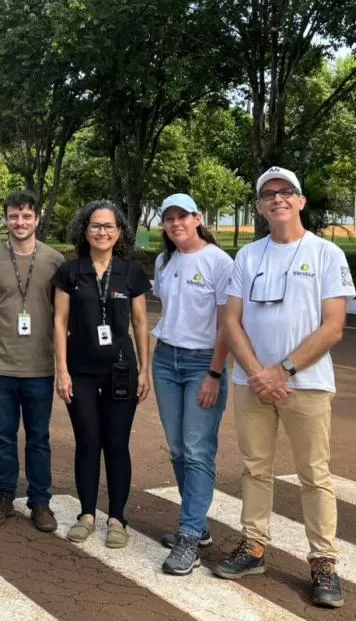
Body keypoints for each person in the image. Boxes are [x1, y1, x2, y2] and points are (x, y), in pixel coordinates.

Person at [215, 166, 354, 609]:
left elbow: (333, 327)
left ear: (300, 200)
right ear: (259, 206)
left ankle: (323, 563)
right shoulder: (248, 257)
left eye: (286, 192)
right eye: (268, 194)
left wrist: (284, 371)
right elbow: (230, 321)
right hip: (251, 382)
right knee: (255, 467)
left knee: (315, 474)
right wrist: (259, 372)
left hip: (307, 384)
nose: (277, 199)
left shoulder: (327, 253)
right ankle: (253, 546)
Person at [52, 200, 151, 549]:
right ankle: (87, 514)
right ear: (85, 229)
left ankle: (117, 518)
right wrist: (61, 370)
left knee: (116, 443)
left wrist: (145, 370)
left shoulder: (131, 272)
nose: (102, 232)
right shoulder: (70, 272)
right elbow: (60, 321)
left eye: (109, 226)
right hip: (79, 370)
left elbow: (140, 323)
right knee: (88, 442)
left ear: (119, 232)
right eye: (96, 226)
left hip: (121, 371)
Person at [149, 193, 234, 574]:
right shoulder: (164, 261)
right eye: (169, 218)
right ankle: (196, 526)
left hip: (203, 363)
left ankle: (188, 535)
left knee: (198, 450)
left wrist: (214, 375)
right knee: (178, 449)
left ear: (198, 218)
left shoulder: (220, 263)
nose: (176, 223)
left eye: (183, 216)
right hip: (166, 359)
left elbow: (226, 326)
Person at [0, 191, 64, 532]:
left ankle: (40, 502)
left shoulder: (55, 261)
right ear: (6, 218)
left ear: (37, 219)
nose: (20, 222)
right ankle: (3, 497)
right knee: (3, 436)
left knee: (39, 437)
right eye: (14, 216)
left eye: (26, 216)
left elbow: (61, 310)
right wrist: (5, 330)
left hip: (40, 366)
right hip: (1, 366)